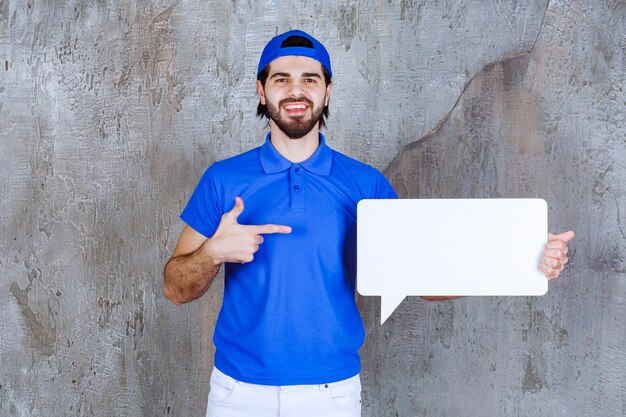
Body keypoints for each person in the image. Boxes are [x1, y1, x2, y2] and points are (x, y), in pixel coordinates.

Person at [163, 29, 574, 417]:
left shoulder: (364, 184)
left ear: (327, 91)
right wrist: (214, 252)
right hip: (238, 393)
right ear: (261, 89)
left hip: (331, 395)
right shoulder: (223, 180)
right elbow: (175, 288)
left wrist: (523, 258)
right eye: (281, 79)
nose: (296, 91)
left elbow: (420, 279)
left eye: (310, 79)